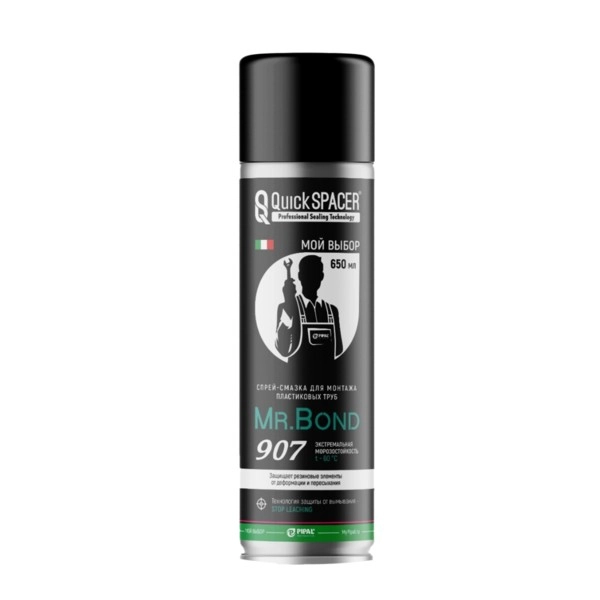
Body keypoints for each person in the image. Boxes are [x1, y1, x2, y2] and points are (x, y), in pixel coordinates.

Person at [276, 255, 343, 362]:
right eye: (308, 273)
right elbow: (283, 350)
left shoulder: (332, 311)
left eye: (316, 273)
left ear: (321, 276)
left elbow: (338, 350)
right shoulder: (286, 308)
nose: (312, 278)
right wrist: (289, 304)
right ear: (300, 276)